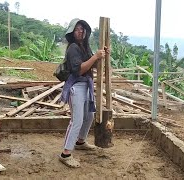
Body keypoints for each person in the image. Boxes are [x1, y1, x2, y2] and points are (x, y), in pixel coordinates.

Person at [59, 18, 109, 168]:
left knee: (89, 116)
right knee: (77, 120)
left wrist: (102, 55)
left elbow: (92, 65)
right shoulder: (73, 48)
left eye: (82, 29)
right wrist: (95, 57)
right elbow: (79, 69)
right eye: (77, 29)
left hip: (86, 85)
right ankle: (65, 154)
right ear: (72, 32)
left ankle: (80, 141)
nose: (80, 31)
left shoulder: (84, 47)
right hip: (77, 87)